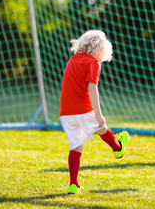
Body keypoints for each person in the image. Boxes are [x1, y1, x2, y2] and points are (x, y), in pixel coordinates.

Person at [60, 29, 130, 194]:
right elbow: (92, 87)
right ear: (101, 49)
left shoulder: (72, 59)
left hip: (65, 112)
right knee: (101, 127)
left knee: (76, 147)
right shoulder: (93, 63)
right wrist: (98, 114)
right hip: (83, 109)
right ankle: (117, 147)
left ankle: (73, 184)